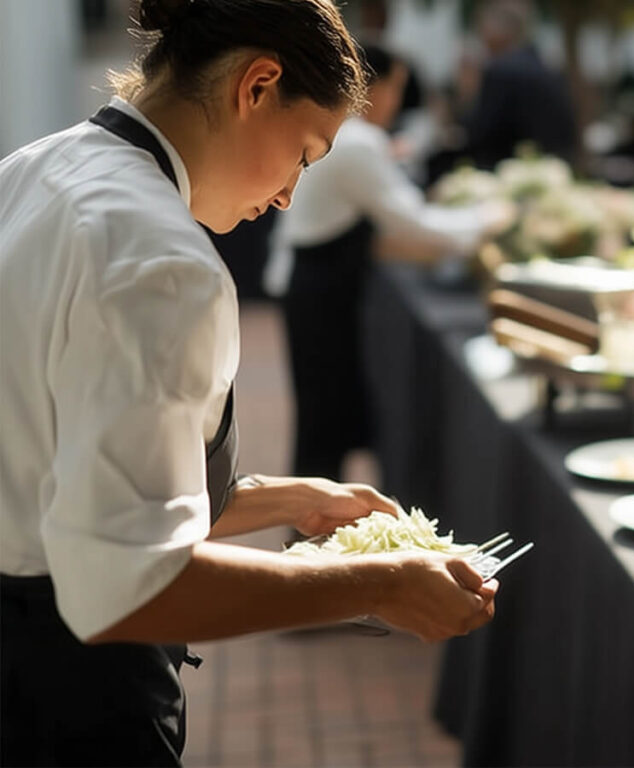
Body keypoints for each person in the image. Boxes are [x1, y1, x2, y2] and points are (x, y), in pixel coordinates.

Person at [0, 2, 497, 766]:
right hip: (70, 698)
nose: (291, 195)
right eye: (305, 153)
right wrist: (378, 583)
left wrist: (296, 500)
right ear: (257, 85)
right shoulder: (161, 260)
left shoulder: (31, 167)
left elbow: (67, 480)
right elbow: (126, 584)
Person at [279, 44, 509, 483]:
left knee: (323, 419)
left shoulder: (347, 133)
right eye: (396, 88)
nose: (397, 101)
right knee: (323, 422)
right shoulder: (357, 139)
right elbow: (413, 223)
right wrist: (487, 219)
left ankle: (310, 528)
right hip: (323, 291)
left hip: (317, 283)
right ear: (370, 87)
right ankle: (306, 535)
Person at [460, 0, 576, 168]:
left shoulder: (499, 71)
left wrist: (466, 94)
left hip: (509, 173)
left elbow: (480, 135)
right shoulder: (549, 68)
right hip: (553, 169)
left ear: (498, 31)